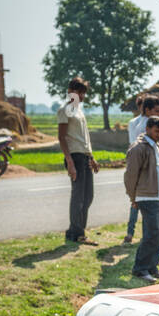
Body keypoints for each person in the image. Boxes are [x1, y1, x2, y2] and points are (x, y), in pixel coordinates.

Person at [124, 116, 159, 283]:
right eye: (156, 131)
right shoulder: (139, 148)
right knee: (151, 233)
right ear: (148, 129)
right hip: (147, 197)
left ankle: (153, 267)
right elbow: (130, 176)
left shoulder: (156, 146)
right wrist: (133, 197)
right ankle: (140, 268)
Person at [57, 77, 100, 245]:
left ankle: (74, 230)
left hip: (85, 156)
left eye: (83, 93)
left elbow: (85, 137)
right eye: (78, 92)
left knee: (88, 196)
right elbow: (61, 137)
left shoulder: (79, 111)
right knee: (78, 197)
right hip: (74, 156)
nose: (81, 95)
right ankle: (78, 234)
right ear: (70, 91)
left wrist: (92, 157)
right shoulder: (65, 109)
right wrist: (70, 162)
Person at [124, 96, 159, 244]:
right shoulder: (152, 128)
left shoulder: (135, 124)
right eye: (157, 111)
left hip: (138, 165)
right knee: (150, 214)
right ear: (147, 110)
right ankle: (149, 243)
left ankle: (130, 233)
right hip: (147, 171)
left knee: (136, 203)